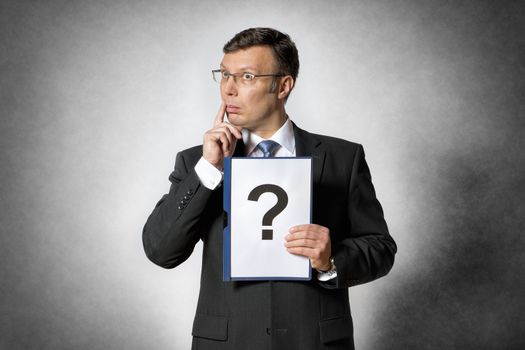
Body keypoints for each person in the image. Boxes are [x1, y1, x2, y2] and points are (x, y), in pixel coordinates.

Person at [143, 27, 396, 350]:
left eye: (246, 77)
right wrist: (208, 170)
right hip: (228, 342)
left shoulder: (343, 158)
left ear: (283, 85)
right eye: (224, 75)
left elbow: (380, 248)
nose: (229, 90)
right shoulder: (197, 162)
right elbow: (161, 251)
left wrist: (331, 260)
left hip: (315, 341)